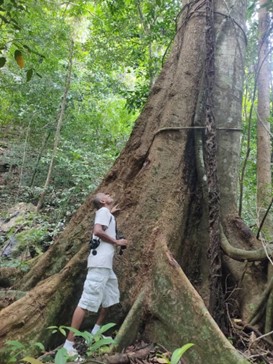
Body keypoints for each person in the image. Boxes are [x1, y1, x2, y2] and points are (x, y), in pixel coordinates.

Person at [63, 192, 128, 355]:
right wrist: (116, 242)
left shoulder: (106, 214)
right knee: (85, 303)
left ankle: (94, 335)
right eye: (106, 194)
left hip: (106, 267)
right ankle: (68, 346)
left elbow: (103, 223)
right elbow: (98, 231)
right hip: (99, 265)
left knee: (109, 300)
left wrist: (112, 214)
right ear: (103, 201)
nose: (109, 194)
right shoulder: (103, 212)